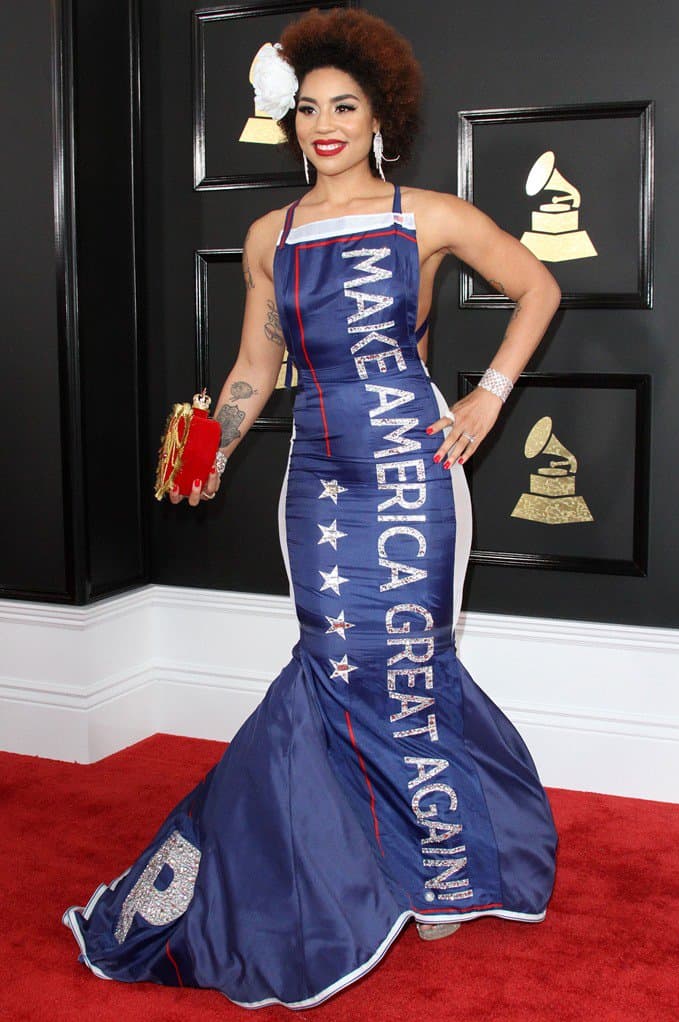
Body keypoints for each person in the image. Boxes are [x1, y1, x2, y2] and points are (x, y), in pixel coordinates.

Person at [63, 7, 560, 1010]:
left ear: (379, 117)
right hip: (317, 479)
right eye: (306, 110)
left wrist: (486, 396)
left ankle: (447, 863)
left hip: (415, 470)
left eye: (343, 105)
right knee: (332, 657)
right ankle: (343, 856)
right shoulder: (268, 235)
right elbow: (256, 365)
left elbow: (537, 285)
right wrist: (217, 443)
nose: (323, 124)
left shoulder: (428, 215)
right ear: (290, 125)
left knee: (411, 658)